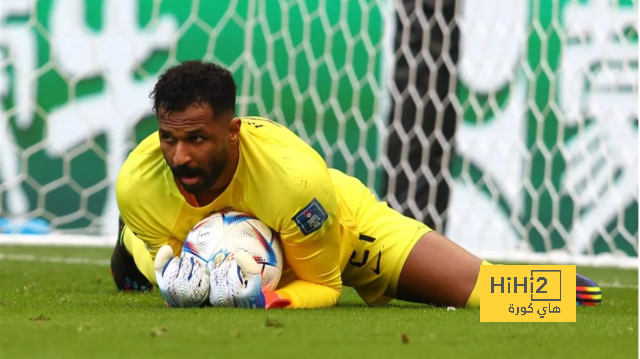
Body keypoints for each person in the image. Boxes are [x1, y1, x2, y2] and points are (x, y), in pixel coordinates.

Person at [111, 60, 602, 309]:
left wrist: (268, 299)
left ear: (232, 130)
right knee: (150, 254)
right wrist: (170, 279)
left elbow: (324, 286)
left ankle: (554, 293)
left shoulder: (297, 183)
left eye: (196, 139)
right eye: (169, 139)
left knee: (486, 293)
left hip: (338, 232)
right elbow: (178, 271)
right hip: (186, 229)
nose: (180, 156)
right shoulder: (141, 181)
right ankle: (125, 241)